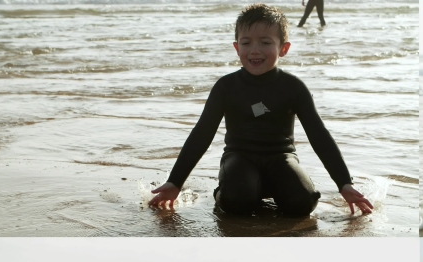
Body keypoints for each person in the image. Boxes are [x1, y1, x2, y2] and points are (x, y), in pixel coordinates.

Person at [148, 4, 372, 216]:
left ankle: (271, 187)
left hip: (281, 157)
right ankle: (226, 192)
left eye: (265, 42)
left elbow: (318, 135)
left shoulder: (293, 88)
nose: (255, 50)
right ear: (236, 48)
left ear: (283, 48)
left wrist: (344, 184)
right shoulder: (226, 87)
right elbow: (202, 134)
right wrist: (175, 182)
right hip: (239, 157)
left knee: (302, 204)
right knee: (237, 204)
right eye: (246, 43)